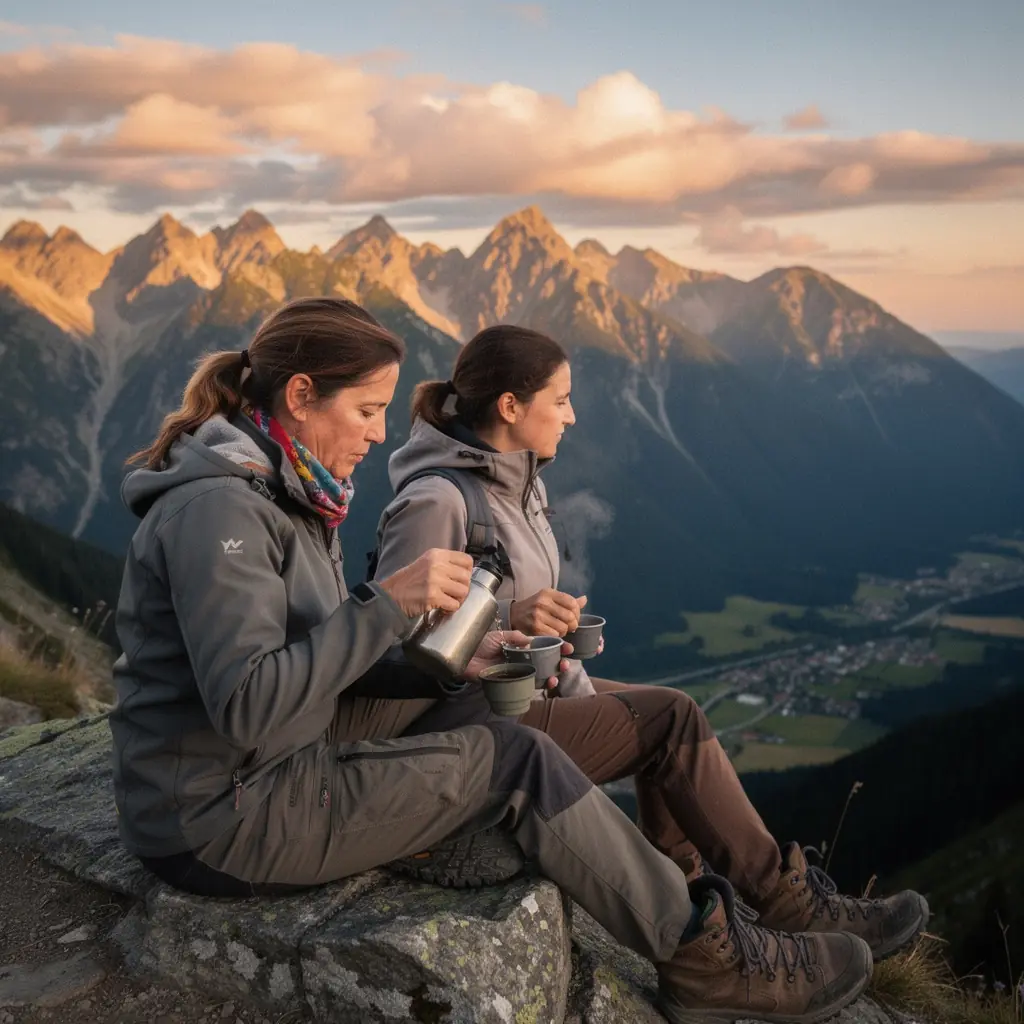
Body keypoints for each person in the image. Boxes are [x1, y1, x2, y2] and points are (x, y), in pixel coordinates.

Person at [109, 297, 872, 1024]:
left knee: (468, 695)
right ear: (302, 395)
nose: (379, 434)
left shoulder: (287, 488)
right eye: (367, 410)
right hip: (221, 817)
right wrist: (387, 605)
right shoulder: (221, 511)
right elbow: (247, 703)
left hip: (281, 754)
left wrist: (453, 662)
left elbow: (310, 659)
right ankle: (702, 957)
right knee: (517, 760)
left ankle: (710, 904)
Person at [372, 324, 929, 965]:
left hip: (514, 698)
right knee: (670, 717)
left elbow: (511, 632)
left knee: (660, 712)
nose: (572, 416)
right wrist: (507, 615)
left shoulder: (520, 486)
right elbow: (395, 638)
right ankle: (780, 903)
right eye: (561, 400)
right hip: (464, 728)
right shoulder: (437, 499)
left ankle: (696, 901)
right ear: (510, 406)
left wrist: (562, 664)